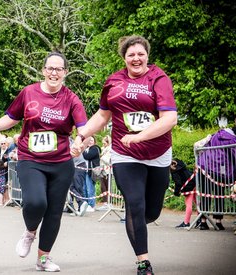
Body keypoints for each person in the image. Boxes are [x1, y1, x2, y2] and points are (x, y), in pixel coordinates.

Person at [73, 35, 178, 275]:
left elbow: (170, 119)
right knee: (135, 204)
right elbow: (102, 116)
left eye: (141, 54)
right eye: (131, 54)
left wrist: (140, 136)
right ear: (124, 58)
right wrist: (81, 137)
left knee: (151, 211)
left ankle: (138, 223)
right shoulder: (114, 82)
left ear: (147, 56)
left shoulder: (159, 79)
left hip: (158, 153)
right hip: (125, 154)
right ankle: (144, 262)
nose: (136, 58)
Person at [0, 51, 88, 272]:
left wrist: (82, 141)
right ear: (43, 70)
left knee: (54, 212)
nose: (54, 73)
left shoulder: (71, 99)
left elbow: (84, 129)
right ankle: (30, 231)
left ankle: (43, 259)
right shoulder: (28, 93)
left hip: (61, 162)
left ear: (65, 73)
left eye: (58, 69)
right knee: (36, 202)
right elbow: (11, 117)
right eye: (50, 68)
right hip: (30, 158)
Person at [195, 119, 236, 231]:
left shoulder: (218, 133)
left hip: (204, 165)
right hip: (219, 169)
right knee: (219, 195)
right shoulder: (233, 140)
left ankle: (203, 221)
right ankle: (218, 221)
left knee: (205, 194)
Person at [170, 158, 196, 228]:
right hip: (194, 181)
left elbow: (178, 183)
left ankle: (186, 222)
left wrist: (176, 192)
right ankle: (200, 220)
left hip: (188, 186)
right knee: (197, 203)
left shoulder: (174, 170)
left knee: (188, 204)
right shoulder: (180, 162)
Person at [82, 136, 100, 212]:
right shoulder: (87, 149)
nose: (90, 141)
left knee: (90, 189)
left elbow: (87, 156)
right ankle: (85, 204)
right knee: (84, 189)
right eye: (89, 140)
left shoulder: (95, 149)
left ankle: (91, 205)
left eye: (91, 140)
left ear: (94, 141)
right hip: (84, 171)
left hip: (91, 172)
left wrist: (82, 150)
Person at [96, 135, 112, 211]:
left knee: (106, 186)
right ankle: (106, 202)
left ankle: (108, 202)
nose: (103, 144)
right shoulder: (104, 149)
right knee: (103, 186)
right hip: (103, 170)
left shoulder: (110, 150)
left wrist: (102, 157)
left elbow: (108, 160)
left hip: (108, 171)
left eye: (104, 143)